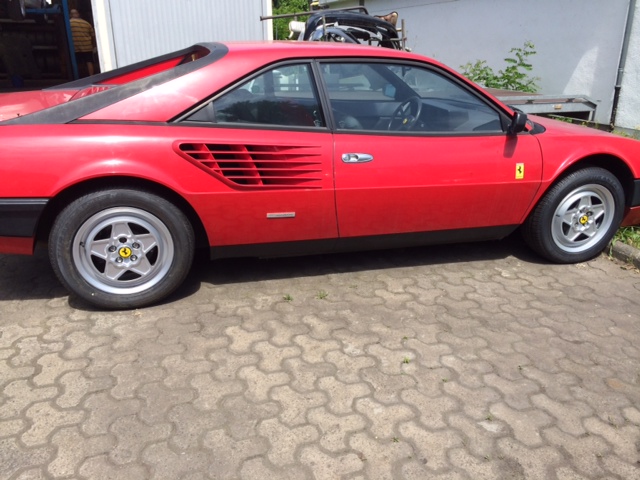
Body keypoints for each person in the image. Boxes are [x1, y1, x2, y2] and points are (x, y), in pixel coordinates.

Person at [69, 9, 96, 77]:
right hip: (87, 47)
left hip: (76, 47)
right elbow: (93, 36)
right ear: (78, 14)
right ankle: (91, 76)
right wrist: (93, 46)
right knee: (89, 62)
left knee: (78, 63)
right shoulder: (86, 23)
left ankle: (80, 77)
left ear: (70, 15)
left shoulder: (69, 23)